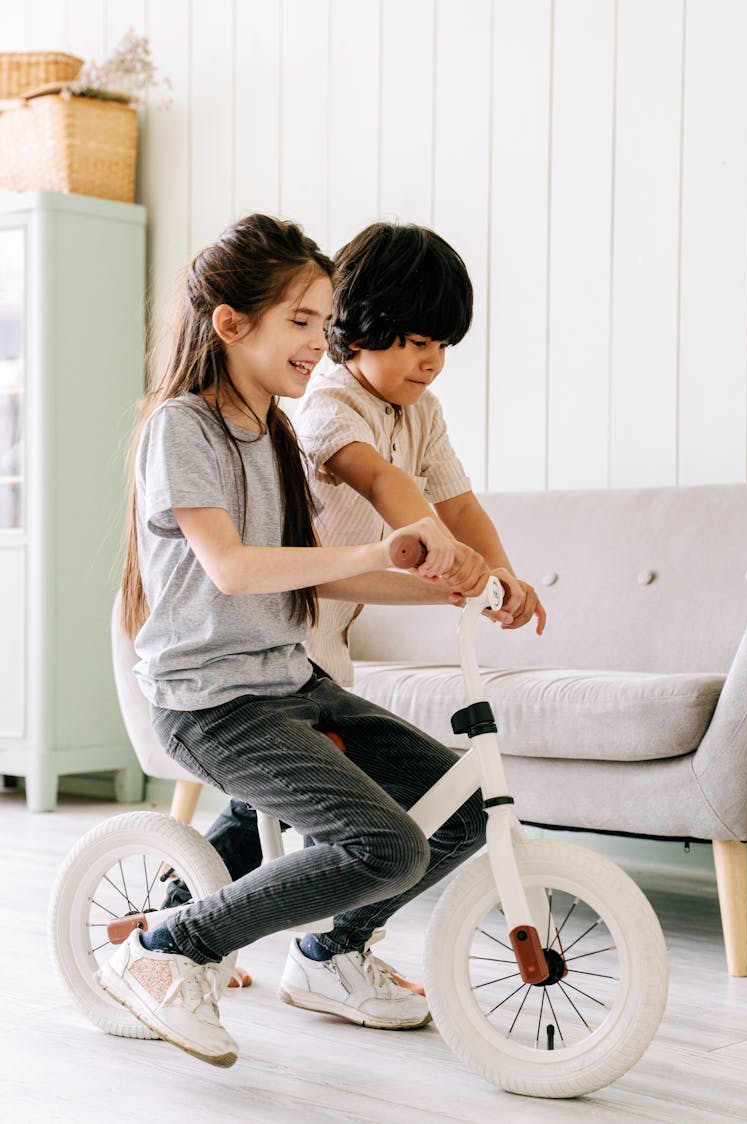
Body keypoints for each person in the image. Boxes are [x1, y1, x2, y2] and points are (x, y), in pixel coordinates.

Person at [98, 213, 490, 1068]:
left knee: (459, 809)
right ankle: (170, 948)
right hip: (212, 702)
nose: (321, 342)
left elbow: (310, 576)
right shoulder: (182, 427)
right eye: (302, 322)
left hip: (289, 682)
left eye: (324, 321)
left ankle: (330, 953)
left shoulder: (275, 430)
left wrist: (446, 584)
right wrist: (382, 547)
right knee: (384, 844)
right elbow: (233, 568)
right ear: (232, 324)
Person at [177, 221, 546, 900]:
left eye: (442, 345)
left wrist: (499, 572)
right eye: (415, 341)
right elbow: (381, 480)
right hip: (282, 625)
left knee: (292, 812)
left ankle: (287, 934)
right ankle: (184, 915)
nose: (431, 360)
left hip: (329, 633)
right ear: (361, 327)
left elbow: (459, 503)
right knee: (305, 814)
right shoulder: (328, 404)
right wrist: (435, 546)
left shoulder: (422, 413)